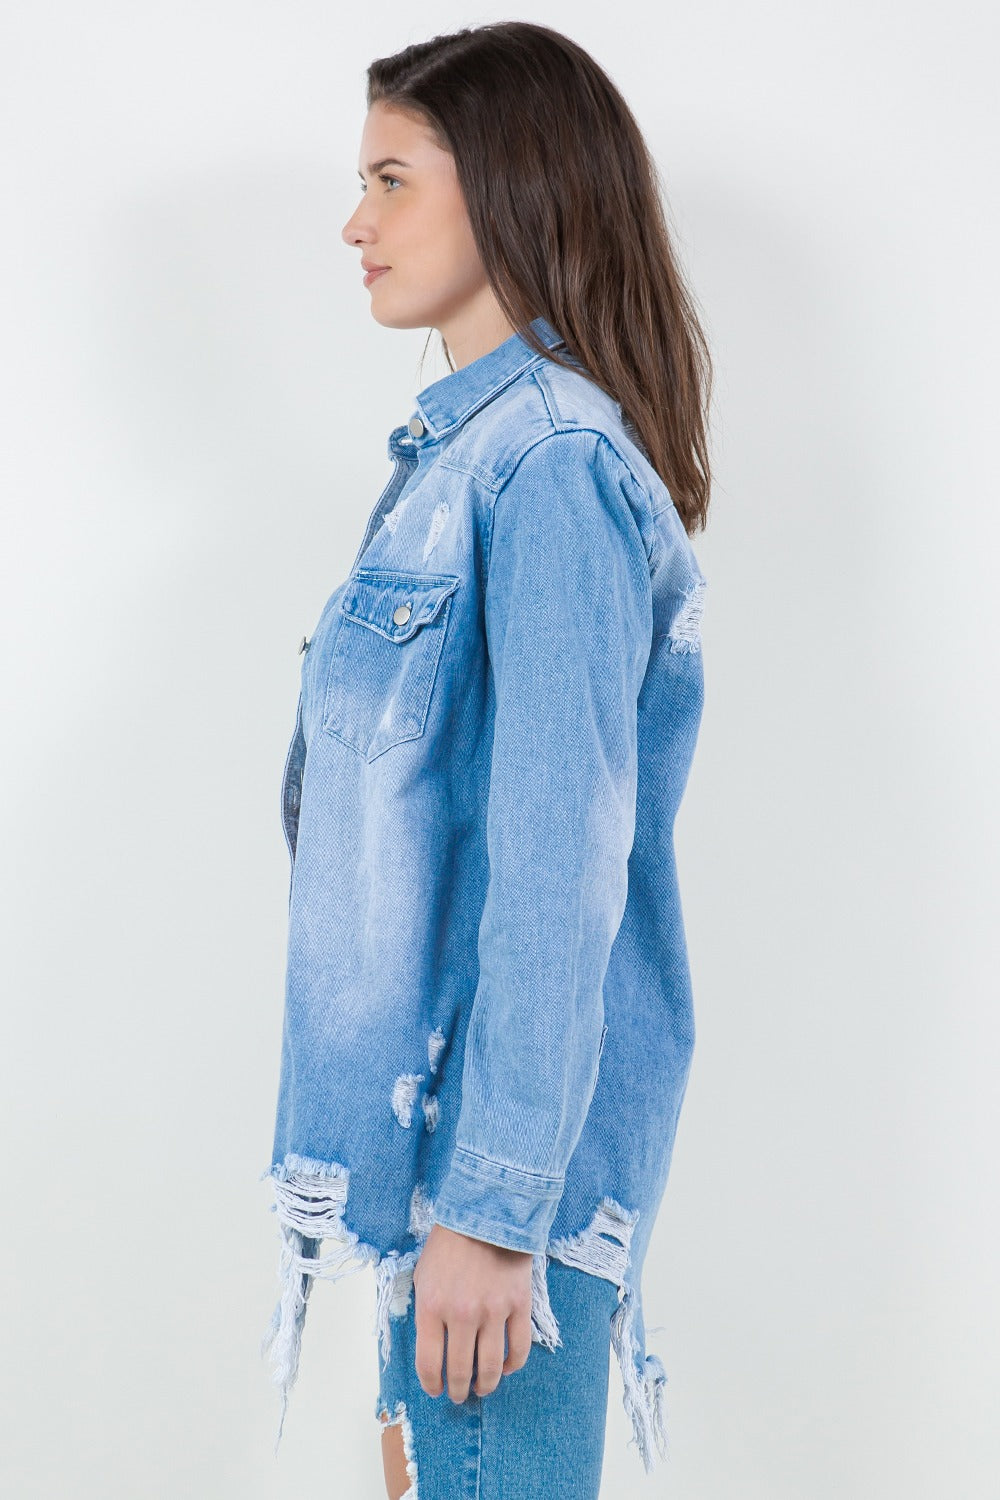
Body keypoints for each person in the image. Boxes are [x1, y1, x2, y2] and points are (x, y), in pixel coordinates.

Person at [259, 20, 713, 1500]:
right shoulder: (457, 465)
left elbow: (558, 862)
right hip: (432, 1188)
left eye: (393, 179)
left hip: (486, 1197)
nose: (356, 222)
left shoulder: (549, 471)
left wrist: (496, 1214)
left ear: (511, 185)